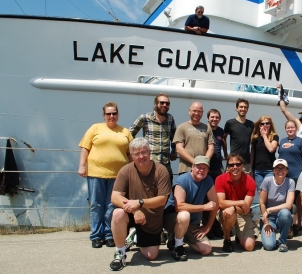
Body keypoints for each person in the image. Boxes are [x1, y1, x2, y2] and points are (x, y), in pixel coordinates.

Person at [108, 138, 171, 271]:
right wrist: (135, 210)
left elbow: (162, 200)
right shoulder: (125, 170)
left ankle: (135, 236)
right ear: (132, 156)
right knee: (117, 213)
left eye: (144, 152)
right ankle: (120, 252)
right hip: (132, 212)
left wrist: (140, 203)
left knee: (151, 255)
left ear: (150, 152)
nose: (141, 156)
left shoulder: (161, 170)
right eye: (137, 154)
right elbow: (114, 197)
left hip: (151, 219)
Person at [78, 102, 133, 249]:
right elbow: (85, 148)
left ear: (118, 115)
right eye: (108, 113)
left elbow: (130, 153)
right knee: (96, 204)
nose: (111, 116)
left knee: (112, 205)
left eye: (114, 113)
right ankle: (96, 236)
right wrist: (82, 166)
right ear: (104, 115)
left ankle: (109, 235)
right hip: (96, 173)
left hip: (118, 176)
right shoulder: (95, 128)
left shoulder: (125, 131)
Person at [163, 156, 219, 261]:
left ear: (208, 170)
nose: (201, 170)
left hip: (191, 224)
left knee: (206, 249)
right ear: (192, 167)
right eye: (199, 167)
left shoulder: (208, 180)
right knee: (184, 215)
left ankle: (177, 237)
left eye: (205, 168)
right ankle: (178, 246)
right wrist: (204, 207)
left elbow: (215, 203)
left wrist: (208, 226)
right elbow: (179, 206)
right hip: (172, 219)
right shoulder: (182, 180)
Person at [129, 93, 177, 182]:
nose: (164, 105)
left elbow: (174, 137)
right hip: (149, 161)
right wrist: (135, 152)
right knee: (148, 188)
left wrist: (174, 151)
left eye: (167, 103)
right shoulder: (145, 117)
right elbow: (130, 134)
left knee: (167, 189)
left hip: (165, 161)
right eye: (162, 103)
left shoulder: (170, 118)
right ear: (155, 103)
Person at [215, 154, 257, 252]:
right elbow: (221, 203)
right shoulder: (220, 179)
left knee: (249, 246)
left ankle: (240, 235)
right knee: (229, 213)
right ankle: (227, 239)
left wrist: (233, 207)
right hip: (225, 212)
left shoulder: (250, 181)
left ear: (243, 166)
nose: (235, 167)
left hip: (242, 213)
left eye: (238, 164)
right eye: (231, 165)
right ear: (227, 167)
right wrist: (240, 202)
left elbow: (246, 208)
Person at [278, 120, 302, 234]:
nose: (290, 129)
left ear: (296, 128)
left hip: (298, 175)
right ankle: (288, 224)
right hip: (284, 176)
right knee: (287, 200)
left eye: (292, 127)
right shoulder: (282, 141)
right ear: (285, 129)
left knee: (299, 200)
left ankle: (299, 223)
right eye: (288, 127)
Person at [259, 159, 295, 252]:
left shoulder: (290, 182)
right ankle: (270, 235)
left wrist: (270, 209)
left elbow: (288, 205)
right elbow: (262, 202)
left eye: (283, 168)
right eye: (277, 168)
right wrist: (266, 223)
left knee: (285, 213)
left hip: (281, 216)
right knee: (269, 246)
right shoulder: (267, 181)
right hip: (269, 218)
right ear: (273, 170)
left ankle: (283, 241)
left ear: (287, 170)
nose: (280, 171)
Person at [173, 102, 214, 174]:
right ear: (189, 111)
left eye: (199, 111)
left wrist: (203, 163)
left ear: (202, 113)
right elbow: (179, 149)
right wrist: (195, 162)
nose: (196, 113)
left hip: (202, 171)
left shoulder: (207, 128)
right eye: (194, 111)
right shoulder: (182, 127)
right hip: (186, 170)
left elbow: (211, 148)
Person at [223, 98, 254, 173]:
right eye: (241, 107)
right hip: (233, 162)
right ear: (236, 108)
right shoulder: (230, 123)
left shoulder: (251, 124)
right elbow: (223, 138)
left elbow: (251, 141)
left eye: (245, 107)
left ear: (247, 109)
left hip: (246, 163)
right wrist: (225, 154)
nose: (243, 109)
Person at [251, 115, 279, 191]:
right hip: (257, 170)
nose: (265, 125)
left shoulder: (274, 136)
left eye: (267, 123)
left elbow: (271, 149)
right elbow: (252, 154)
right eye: (262, 124)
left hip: (269, 169)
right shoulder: (255, 138)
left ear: (270, 125)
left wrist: (264, 136)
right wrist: (251, 169)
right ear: (259, 126)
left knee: (269, 191)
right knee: (260, 192)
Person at [207, 109, 228, 181]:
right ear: (208, 118)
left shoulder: (221, 131)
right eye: (212, 117)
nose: (214, 119)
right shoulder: (204, 130)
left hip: (218, 166)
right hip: (207, 165)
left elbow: (224, 143)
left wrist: (226, 155)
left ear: (219, 119)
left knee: (220, 187)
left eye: (217, 117)